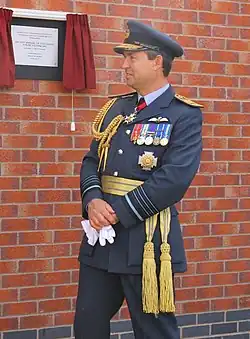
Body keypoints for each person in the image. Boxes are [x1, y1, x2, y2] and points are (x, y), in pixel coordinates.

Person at [74, 20, 203, 339]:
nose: (124, 64)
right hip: (101, 240)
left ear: (157, 61)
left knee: (154, 331)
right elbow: (92, 161)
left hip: (147, 242)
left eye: (132, 57)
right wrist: (93, 200)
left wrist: (116, 211)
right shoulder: (115, 108)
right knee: (88, 326)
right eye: (124, 57)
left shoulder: (183, 115)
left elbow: (174, 180)